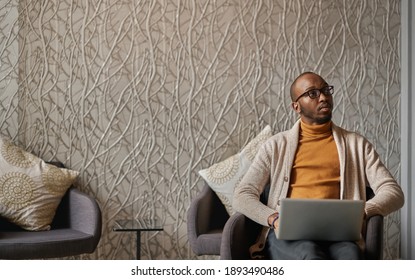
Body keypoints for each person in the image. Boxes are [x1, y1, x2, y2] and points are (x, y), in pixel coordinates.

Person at [232, 71, 404, 260]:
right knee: (310, 257)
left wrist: (362, 212)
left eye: (325, 90)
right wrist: (274, 219)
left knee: (351, 259)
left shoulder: (357, 145)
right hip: (290, 235)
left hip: (340, 234)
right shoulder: (275, 146)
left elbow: (393, 191)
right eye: (312, 93)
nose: (323, 97)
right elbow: (242, 195)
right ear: (296, 106)